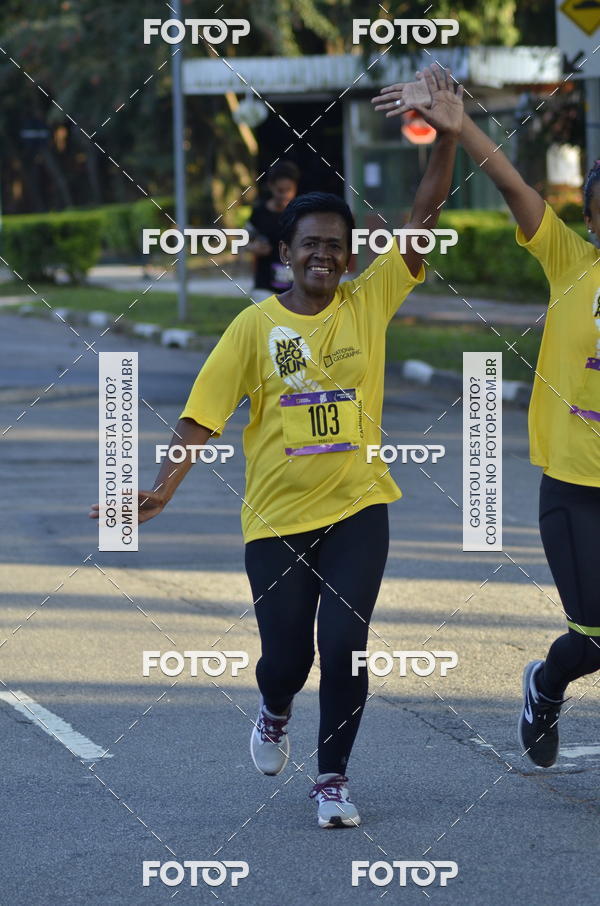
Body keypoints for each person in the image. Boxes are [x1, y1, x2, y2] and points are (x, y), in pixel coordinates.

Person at [91, 64, 464, 826]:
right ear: (286, 254)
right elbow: (202, 416)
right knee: (288, 658)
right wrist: (160, 488)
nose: (323, 255)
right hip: (275, 517)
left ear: (352, 258)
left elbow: (423, 214)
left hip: (360, 505)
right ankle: (273, 709)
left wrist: (448, 135)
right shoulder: (253, 329)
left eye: (336, 245)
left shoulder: (369, 302)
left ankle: (331, 779)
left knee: (347, 642)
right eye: (310, 245)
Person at [377, 71, 600, 768]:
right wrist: (458, 123)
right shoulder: (570, 262)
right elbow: (510, 182)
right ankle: (547, 681)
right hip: (574, 487)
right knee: (594, 637)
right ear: (592, 218)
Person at [246, 160, 300, 298]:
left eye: (289, 190)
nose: (285, 195)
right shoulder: (259, 213)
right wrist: (254, 247)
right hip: (265, 285)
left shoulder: (300, 214)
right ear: (271, 186)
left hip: (295, 285)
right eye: (280, 190)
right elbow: (245, 240)